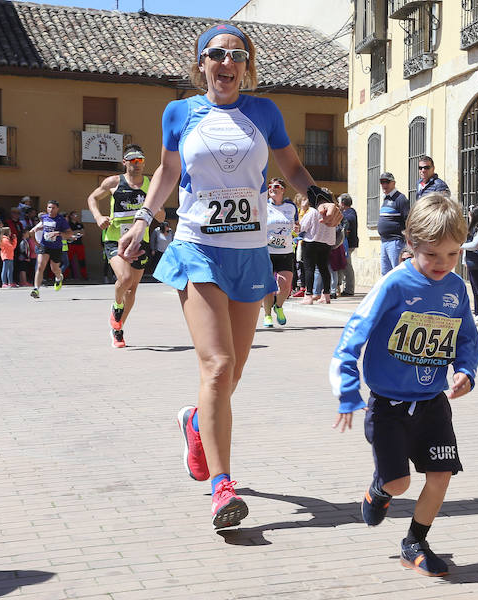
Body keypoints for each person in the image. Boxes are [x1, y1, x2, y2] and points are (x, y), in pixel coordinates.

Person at [117, 23, 341, 530]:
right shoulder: (180, 112)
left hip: (250, 253)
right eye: (215, 54)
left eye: (236, 56)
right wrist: (143, 220)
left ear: (246, 67)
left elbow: (295, 170)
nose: (225, 62)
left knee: (233, 373)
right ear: (201, 64)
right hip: (199, 247)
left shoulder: (264, 112)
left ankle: (196, 421)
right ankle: (223, 489)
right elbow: (167, 173)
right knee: (217, 366)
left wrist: (318, 200)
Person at [331, 192, 478, 578]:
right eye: (433, 255)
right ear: (411, 244)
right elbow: (353, 334)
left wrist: (466, 370)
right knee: (399, 484)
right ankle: (380, 489)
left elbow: (466, 336)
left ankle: (415, 542)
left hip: (432, 402)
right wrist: (348, 390)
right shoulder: (394, 285)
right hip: (387, 406)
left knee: (440, 476)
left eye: (452, 254)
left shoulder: (456, 288)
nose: (443, 264)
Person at [87, 145, 162, 348]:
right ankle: (116, 305)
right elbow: (92, 198)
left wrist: (156, 211)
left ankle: (118, 329)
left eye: (140, 161)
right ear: (124, 162)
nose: (137, 164)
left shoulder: (150, 184)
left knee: (132, 290)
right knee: (125, 279)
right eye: (132, 160)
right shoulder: (113, 182)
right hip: (114, 238)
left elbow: (161, 213)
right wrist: (98, 216)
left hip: (139, 241)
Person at [263, 178, 298, 327]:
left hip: (286, 251)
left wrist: (297, 229)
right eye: (270, 186)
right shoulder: (263, 206)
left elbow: (296, 225)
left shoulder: (290, 207)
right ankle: (267, 315)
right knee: (268, 286)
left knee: (285, 286)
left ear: (283, 189)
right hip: (267, 251)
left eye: (276, 186)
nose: (272, 188)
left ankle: (278, 306)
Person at [26, 201, 73, 298]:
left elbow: (69, 233)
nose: (51, 210)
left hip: (56, 247)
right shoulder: (44, 218)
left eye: (53, 208)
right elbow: (41, 228)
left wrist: (58, 233)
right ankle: (36, 289)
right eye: (49, 207)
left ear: (57, 209)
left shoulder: (61, 220)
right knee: (40, 266)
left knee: (54, 268)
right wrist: (37, 239)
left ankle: (59, 277)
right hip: (44, 245)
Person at [299, 189, 336, 305]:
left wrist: (303, 210)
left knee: (309, 268)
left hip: (311, 241)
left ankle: (308, 295)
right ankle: (326, 295)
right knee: (324, 269)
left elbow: (303, 226)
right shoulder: (333, 212)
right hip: (326, 243)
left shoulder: (313, 211)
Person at [377, 172, 409, 275]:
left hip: (395, 242)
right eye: (382, 182)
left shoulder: (400, 199)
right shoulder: (385, 199)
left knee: (397, 272)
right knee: (385, 274)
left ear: (393, 183)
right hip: (384, 242)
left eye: (387, 182)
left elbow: (408, 220)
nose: (384, 185)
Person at [338, 193, 357, 296]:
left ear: (343, 203)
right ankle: (341, 287)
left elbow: (348, 221)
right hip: (345, 243)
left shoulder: (350, 213)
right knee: (343, 265)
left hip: (348, 244)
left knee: (347, 266)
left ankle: (349, 289)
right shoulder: (347, 212)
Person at [66, 211, 87, 280]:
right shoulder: (68, 224)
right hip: (70, 244)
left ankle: (84, 276)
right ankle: (67, 276)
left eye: (77, 215)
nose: (76, 216)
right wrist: (77, 231)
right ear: (71, 216)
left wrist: (75, 232)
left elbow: (83, 233)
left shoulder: (80, 224)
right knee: (68, 261)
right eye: (74, 215)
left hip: (79, 244)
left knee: (82, 260)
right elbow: (68, 233)